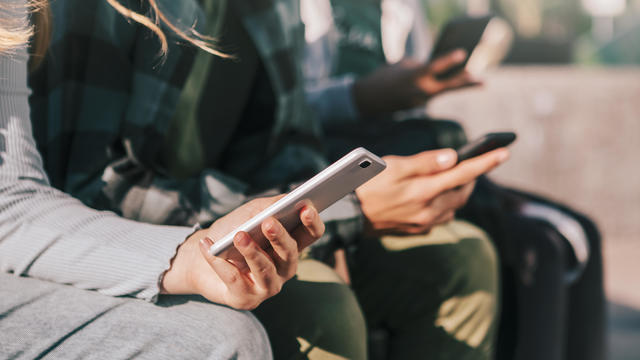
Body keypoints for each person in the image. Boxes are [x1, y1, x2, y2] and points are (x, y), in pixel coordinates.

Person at [28, 0, 510, 358]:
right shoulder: (109, 10)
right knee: (319, 308)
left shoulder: (274, 9)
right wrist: (350, 212)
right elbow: (92, 189)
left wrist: (335, 210)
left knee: (462, 258)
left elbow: (288, 148)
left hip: (249, 223)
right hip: (141, 245)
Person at [0, 1, 328, 358]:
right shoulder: (110, 13)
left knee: (325, 310)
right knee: (227, 336)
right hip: (112, 231)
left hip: (138, 232)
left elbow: (289, 136)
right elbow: (79, 190)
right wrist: (187, 256)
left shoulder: (270, 10)